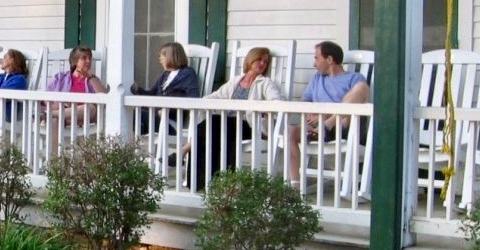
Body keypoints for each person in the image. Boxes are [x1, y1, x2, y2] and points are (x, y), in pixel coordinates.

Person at [174, 47, 285, 191]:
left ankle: (187, 153)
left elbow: (276, 102)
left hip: (250, 125)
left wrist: (260, 108)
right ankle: (202, 181)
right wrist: (197, 104)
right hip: (227, 124)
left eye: (265, 62)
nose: (262, 64)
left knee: (214, 123)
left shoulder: (265, 83)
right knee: (210, 127)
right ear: (250, 60)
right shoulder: (236, 81)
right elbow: (216, 96)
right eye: (259, 59)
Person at [286, 41, 369, 189]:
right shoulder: (317, 78)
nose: (314, 63)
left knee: (361, 89)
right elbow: (305, 102)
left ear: (329, 60)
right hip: (315, 129)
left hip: (343, 128)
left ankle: (327, 124)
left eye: (317, 58)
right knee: (290, 132)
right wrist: (315, 115)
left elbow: (360, 96)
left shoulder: (354, 78)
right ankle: (295, 186)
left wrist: (324, 118)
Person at [44, 46, 108, 153]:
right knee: (54, 119)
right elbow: (46, 98)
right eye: (84, 58)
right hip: (66, 119)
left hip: (85, 117)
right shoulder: (60, 78)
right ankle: (54, 163)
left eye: (89, 58)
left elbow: (105, 97)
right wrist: (64, 106)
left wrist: (91, 77)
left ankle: (53, 114)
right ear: (75, 61)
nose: (88, 61)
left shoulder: (93, 80)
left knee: (90, 108)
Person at [131, 42, 201, 135]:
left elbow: (193, 99)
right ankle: (137, 137)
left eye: (162, 57)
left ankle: (136, 139)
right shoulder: (165, 74)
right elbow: (152, 93)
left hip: (170, 122)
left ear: (171, 57)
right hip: (157, 116)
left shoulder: (188, 74)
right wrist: (137, 89)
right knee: (131, 111)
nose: (160, 60)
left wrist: (167, 109)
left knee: (136, 115)